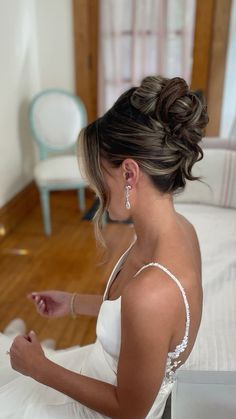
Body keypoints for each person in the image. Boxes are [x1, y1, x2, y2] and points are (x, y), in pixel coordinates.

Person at [0, 75, 208, 418]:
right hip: (98, 371)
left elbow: (129, 410)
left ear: (129, 174)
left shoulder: (153, 291)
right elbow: (139, 321)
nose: (96, 188)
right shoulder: (181, 230)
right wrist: (72, 304)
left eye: (100, 174)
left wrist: (40, 368)